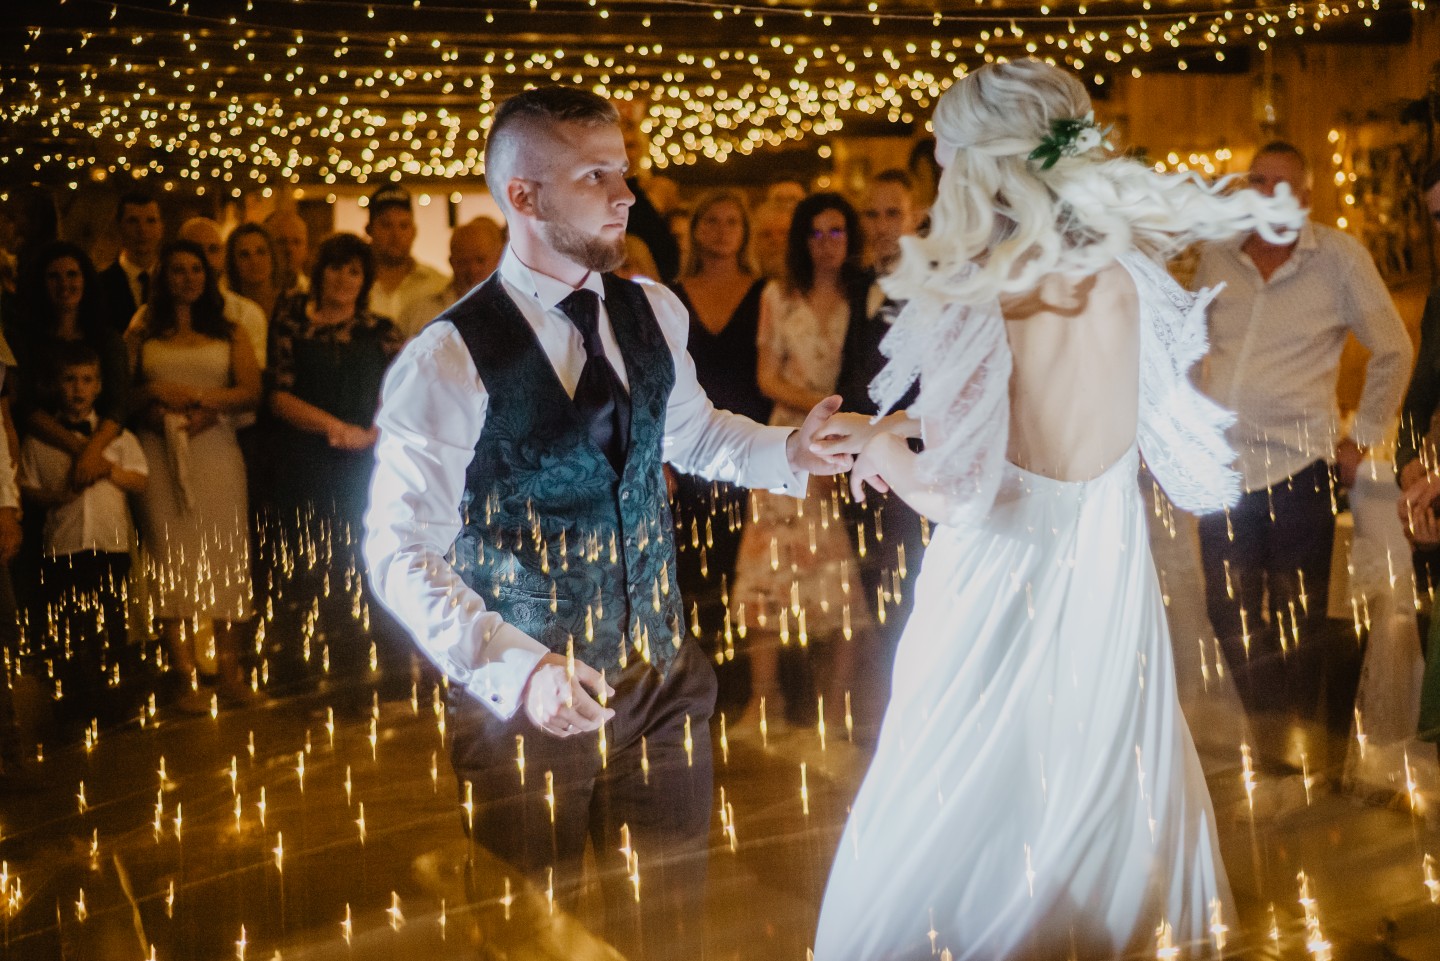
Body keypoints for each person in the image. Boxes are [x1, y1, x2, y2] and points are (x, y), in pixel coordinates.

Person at [807, 59, 1302, 959]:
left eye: (947, 155)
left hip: (1002, 584)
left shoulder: (977, 285)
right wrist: (901, 423)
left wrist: (878, 452)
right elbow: (1064, 408)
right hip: (1104, 567)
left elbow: (959, 492)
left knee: (965, 791)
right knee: (1098, 774)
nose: (940, 173)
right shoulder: (1116, 274)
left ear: (988, 163)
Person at [363, 86, 847, 961]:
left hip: (664, 682)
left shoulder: (652, 309)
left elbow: (694, 433)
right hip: (525, 710)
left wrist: (790, 450)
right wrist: (519, 670)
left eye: (622, 172)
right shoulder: (447, 357)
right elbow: (398, 550)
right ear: (524, 195)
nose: (626, 195)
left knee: (669, 931)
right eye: (597, 177)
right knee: (533, 940)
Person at [1193, 142, 1411, 732]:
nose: (1267, 193)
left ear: (1307, 198)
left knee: (1298, 616)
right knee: (1228, 611)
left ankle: (1300, 741)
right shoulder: (1218, 255)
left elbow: (1394, 348)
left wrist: (1361, 437)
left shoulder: (1338, 259)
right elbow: (1189, 342)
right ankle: (1271, 731)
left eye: (1281, 183)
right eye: (1257, 181)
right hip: (1222, 470)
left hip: (1298, 469)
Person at [729, 192, 872, 732]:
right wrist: (821, 408)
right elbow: (766, 375)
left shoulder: (863, 298)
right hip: (788, 437)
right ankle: (765, 701)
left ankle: (835, 706)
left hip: (845, 438)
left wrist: (843, 421)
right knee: (769, 569)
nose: (826, 243)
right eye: (815, 232)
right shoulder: (779, 295)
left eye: (837, 231)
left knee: (836, 571)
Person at [267, 233, 407, 695]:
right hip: (305, 463)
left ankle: (370, 676)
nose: (344, 278)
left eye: (354, 271)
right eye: (335, 267)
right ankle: (308, 679)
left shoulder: (381, 330)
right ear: (319, 272)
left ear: (365, 280)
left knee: (364, 563)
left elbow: (404, 391)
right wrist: (334, 427)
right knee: (308, 564)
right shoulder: (292, 325)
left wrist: (371, 433)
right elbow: (278, 396)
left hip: (368, 464)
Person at [129, 240, 261, 712]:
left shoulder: (230, 331)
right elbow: (122, 394)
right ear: (163, 278)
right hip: (159, 451)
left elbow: (251, 390)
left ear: (208, 276)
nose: (187, 278)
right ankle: (184, 676)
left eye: (195, 269)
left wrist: (204, 402)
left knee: (225, 554)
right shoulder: (142, 331)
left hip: (215, 449)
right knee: (169, 556)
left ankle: (229, 671)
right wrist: (154, 393)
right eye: (177, 270)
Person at [667, 190, 772, 675]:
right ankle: (702, 677)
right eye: (712, 220)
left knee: (749, 564)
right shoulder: (671, 295)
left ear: (745, 231)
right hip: (688, 442)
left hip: (752, 441)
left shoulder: (766, 290)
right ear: (695, 229)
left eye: (733, 221)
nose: (722, 230)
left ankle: (749, 678)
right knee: (693, 562)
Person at [18, 342, 147, 729]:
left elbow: (140, 480)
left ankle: (115, 706)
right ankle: (76, 710)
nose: (78, 388)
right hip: (64, 546)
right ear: (56, 385)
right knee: (70, 629)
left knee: (112, 625)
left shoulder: (118, 438)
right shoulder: (39, 440)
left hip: (110, 545)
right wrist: (56, 497)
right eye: (70, 380)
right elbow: (27, 486)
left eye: (87, 380)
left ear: (99, 386)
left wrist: (108, 469)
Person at [833, 169, 927, 681]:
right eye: (871, 213)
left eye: (894, 213)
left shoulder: (933, 286)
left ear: (916, 218)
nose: (881, 224)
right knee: (872, 574)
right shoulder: (858, 282)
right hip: (860, 454)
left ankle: (909, 682)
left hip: (915, 454)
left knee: (908, 574)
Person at [12, 244, 132, 498]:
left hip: (103, 451)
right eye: (53, 276)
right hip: (42, 452)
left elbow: (118, 406)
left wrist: (93, 452)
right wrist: (81, 450)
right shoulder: (25, 341)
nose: (64, 283)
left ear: (85, 279)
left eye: (72, 274)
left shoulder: (108, 340)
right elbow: (25, 406)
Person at [177, 218, 269, 369]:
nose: (206, 259)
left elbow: (252, 379)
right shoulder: (150, 314)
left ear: (223, 255)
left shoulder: (246, 314)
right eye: (196, 250)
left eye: (213, 249)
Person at [397, 218, 505, 340]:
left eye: (480, 260)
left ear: (498, 260)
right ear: (451, 262)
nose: (472, 270)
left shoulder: (512, 311)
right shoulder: (419, 313)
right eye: (463, 262)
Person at [363, 184, 445, 321]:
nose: (396, 235)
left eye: (403, 226)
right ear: (369, 230)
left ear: (414, 231)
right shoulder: (351, 285)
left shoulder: (437, 285)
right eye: (386, 225)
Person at [98, 190, 164, 333]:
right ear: (119, 227)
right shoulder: (99, 285)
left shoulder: (172, 280)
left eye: (151, 221)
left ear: (161, 227)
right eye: (133, 221)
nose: (143, 230)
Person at [225, 223, 283, 330]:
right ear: (233, 263)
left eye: (261, 252)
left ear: (272, 257)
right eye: (244, 255)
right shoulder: (228, 309)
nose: (254, 261)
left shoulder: (294, 306)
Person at [264, 208, 310, 297]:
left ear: (306, 249)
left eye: (297, 242)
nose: (289, 249)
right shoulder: (249, 297)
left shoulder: (316, 295)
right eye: (281, 242)